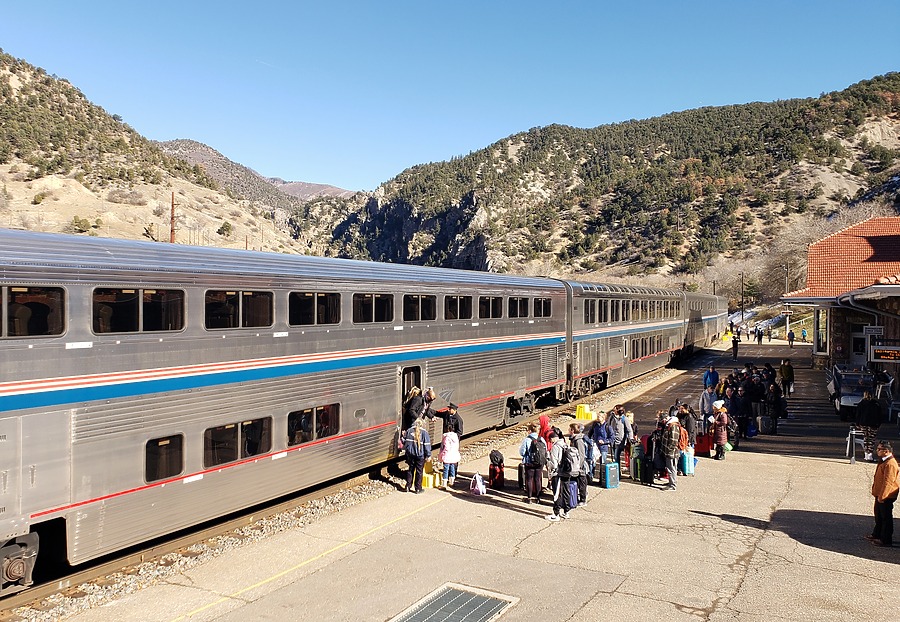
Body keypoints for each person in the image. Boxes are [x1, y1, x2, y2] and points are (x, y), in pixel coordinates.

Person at [867, 441, 899, 547]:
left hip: (886, 495)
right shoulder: (883, 460)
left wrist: (883, 496)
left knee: (885, 517)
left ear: (886, 451)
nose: (877, 451)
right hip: (879, 493)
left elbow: (888, 481)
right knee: (879, 515)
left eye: (879, 449)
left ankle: (885, 539)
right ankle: (877, 534)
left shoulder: (890, 464)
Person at [518, 422, 546, 503]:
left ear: (530, 431)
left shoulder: (527, 440)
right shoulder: (541, 439)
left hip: (529, 462)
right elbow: (545, 450)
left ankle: (529, 498)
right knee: (537, 479)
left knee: (529, 479)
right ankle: (538, 498)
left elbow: (522, 452)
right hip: (540, 463)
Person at [403, 417, 432, 493]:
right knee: (419, 472)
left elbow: (403, 441)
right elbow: (427, 445)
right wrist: (428, 455)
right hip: (420, 456)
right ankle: (418, 488)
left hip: (410, 455)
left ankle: (408, 486)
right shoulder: (424, 433)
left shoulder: (409, 431)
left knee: (410, 470)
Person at [546, 430, 570, 521]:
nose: (550, 441)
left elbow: (554, 462)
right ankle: (566, 512)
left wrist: (551, 472)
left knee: (557, 494)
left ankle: (556, 514)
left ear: (553, 438)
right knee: (565, 492)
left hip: (558, 473)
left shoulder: (556, 447)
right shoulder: (565, 444)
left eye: (550, 440)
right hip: (566, 472)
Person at [856, 390, 882, 462]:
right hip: (873, 424)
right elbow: (880, 415)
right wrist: (879, 424)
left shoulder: (861, 403)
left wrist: (857, 423)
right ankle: (869, 454)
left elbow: (858, 414)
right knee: (871, 440)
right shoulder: (876, 404)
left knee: (866, 439)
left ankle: (866, 454)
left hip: (863, 423)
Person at [570, 423, 589, 505]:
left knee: (582, 483)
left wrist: (579, 466)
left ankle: (583, 500)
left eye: (570, 429)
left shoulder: (578, 441)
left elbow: (581, 454)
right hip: (575, 465)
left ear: (572, 430)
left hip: (579, 467)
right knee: (577, 482)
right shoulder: (574, 439)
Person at [661, 415, 681, 491]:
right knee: (671, 468)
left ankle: (672, 485)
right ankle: (671, 482)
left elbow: (674, 440)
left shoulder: (673, 426)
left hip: (672, 452)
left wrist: (669, 449)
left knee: (671, 468)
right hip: (670, 451)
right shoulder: (670, 425)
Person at [438, 420, 460, 489]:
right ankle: (452, 482)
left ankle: (444, 484)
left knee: (446, 469)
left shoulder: (446, 437)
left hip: (447, 455)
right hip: (453, 455)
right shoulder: (455, 436)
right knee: (452, 468)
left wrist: (441, 454)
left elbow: (446, 448)